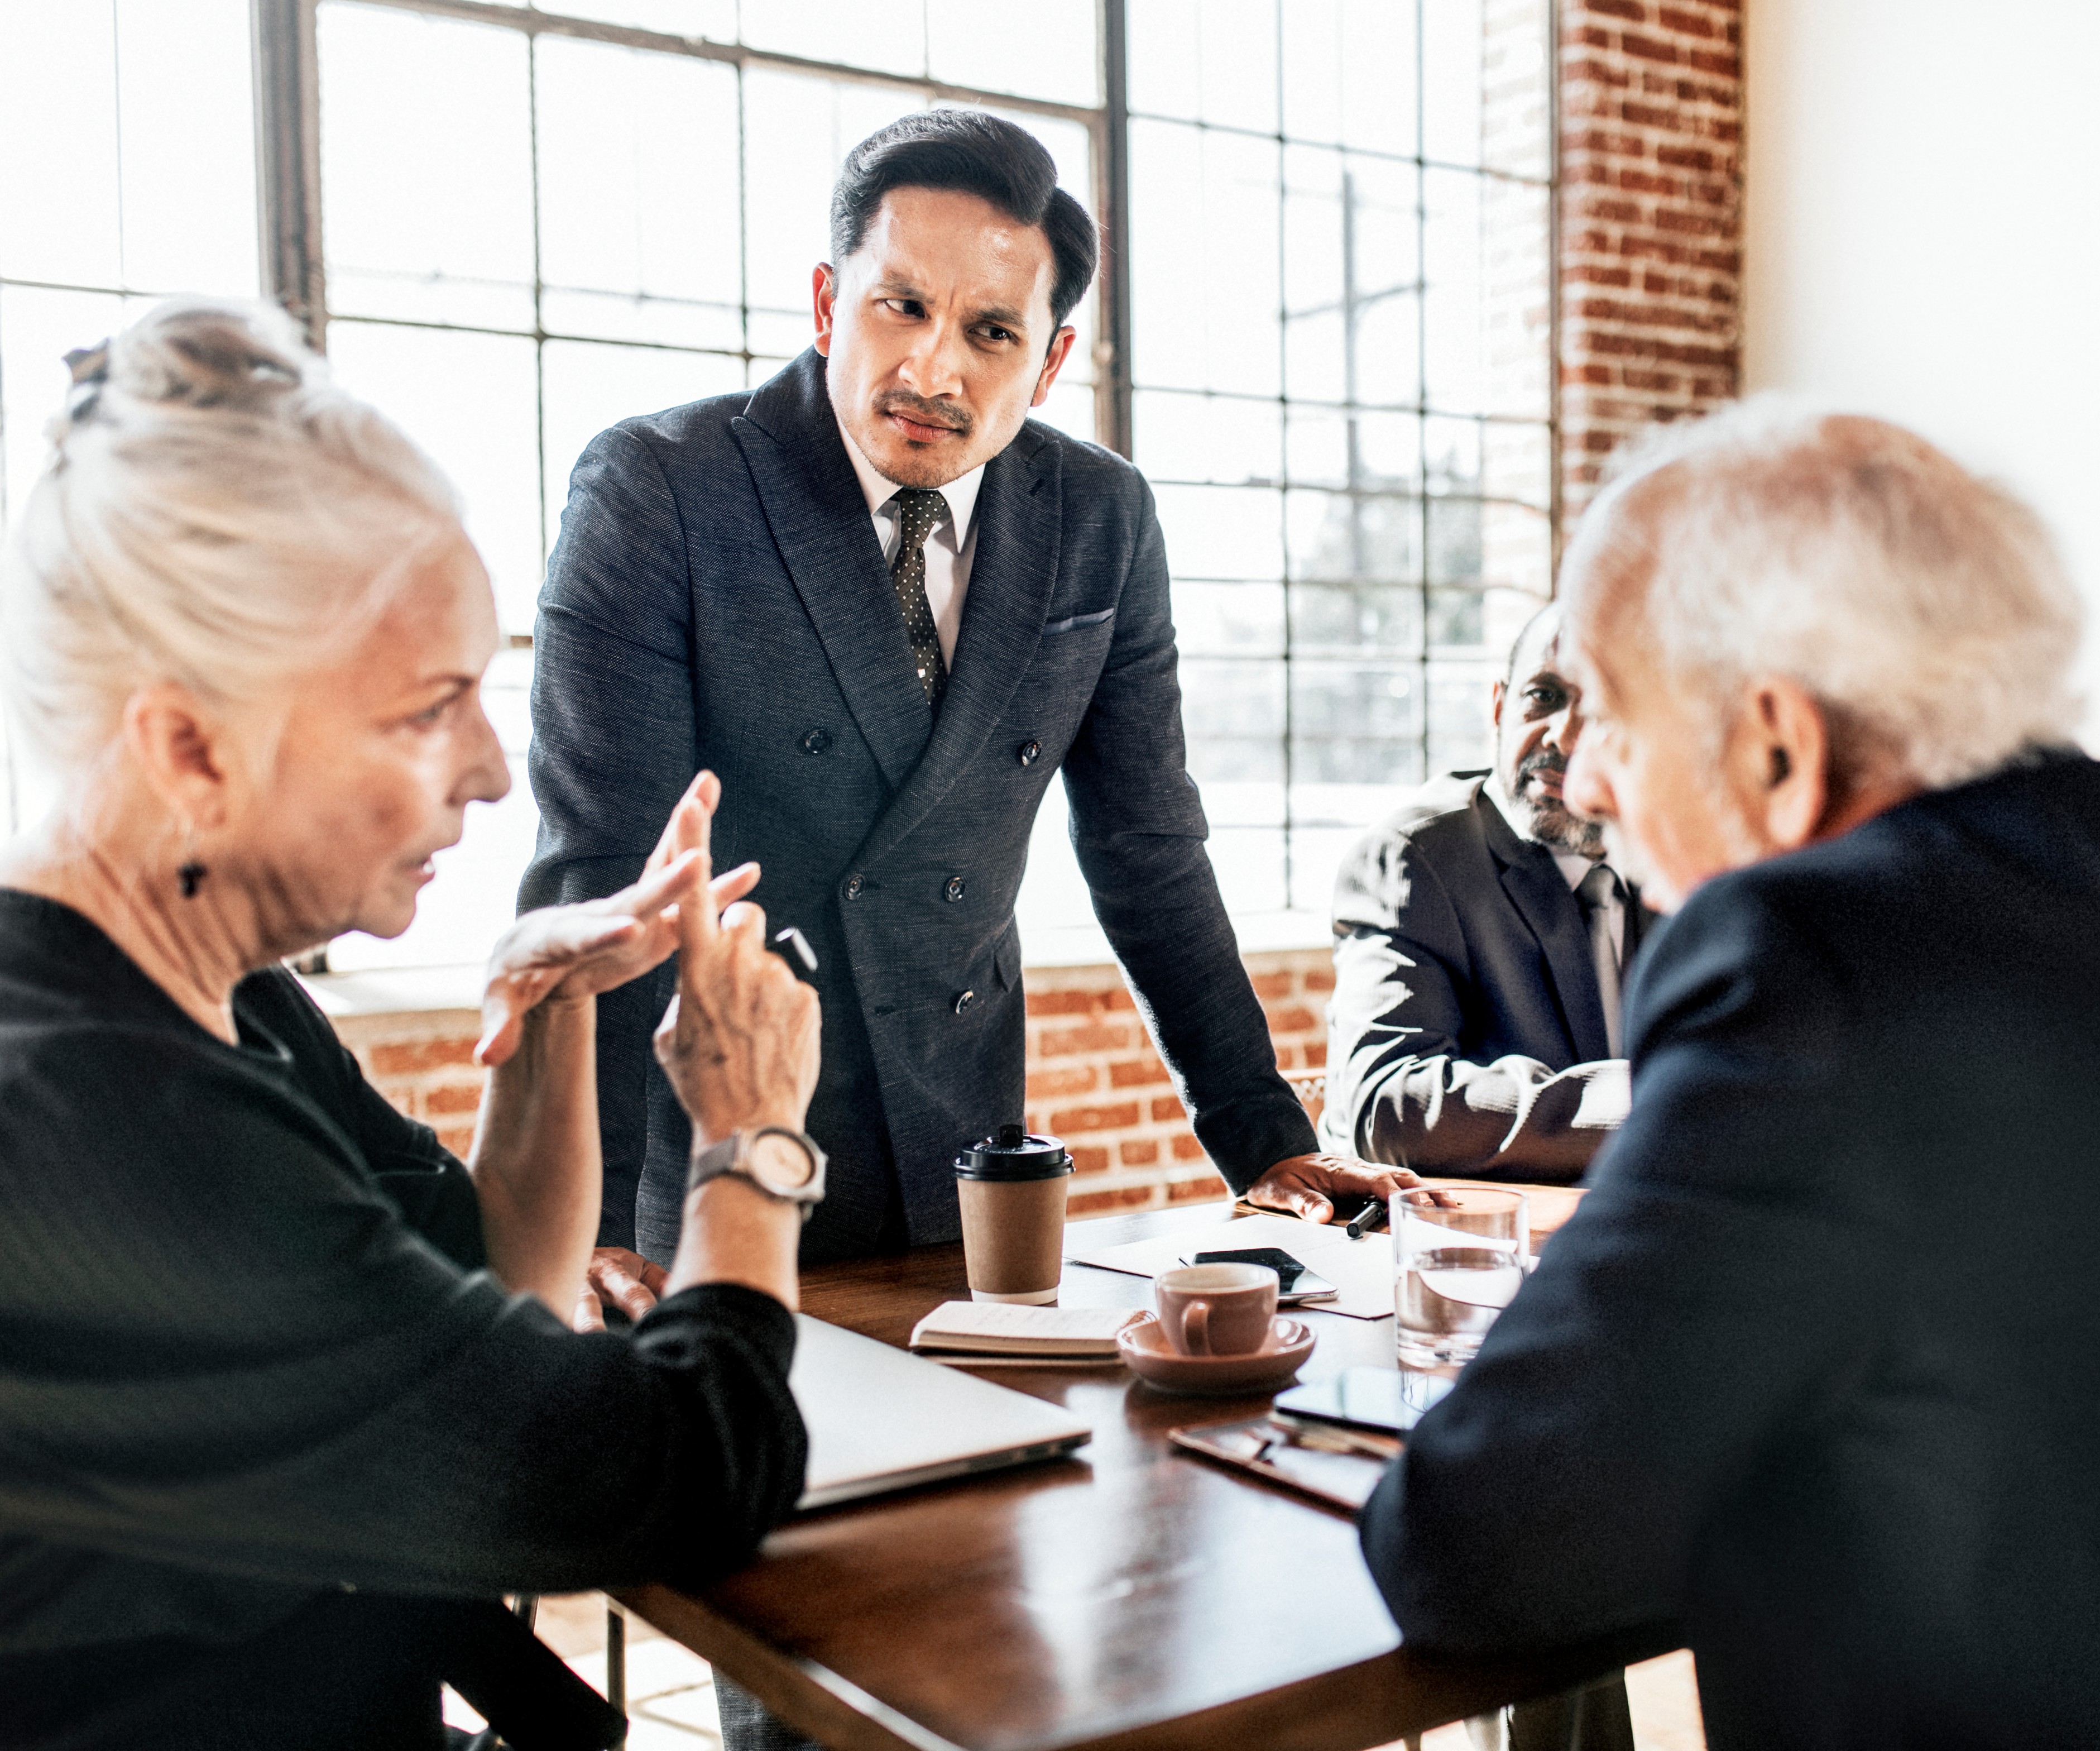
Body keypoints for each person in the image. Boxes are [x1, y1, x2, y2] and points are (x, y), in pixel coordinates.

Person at [1358, 402, 2100, 1748]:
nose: (1584, 776)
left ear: (1777, 745)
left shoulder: (1808, 962)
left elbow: (1475, 1548)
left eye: (1617, 716)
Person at [0, 300, 826, 1749]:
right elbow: (679, 1476)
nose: (495, 772)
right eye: (428, 712)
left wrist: (542, 1001)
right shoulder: (92, 1122)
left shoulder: (217, 991)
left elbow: (491, 1298)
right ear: (189, 747)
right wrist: (749, 1141)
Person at [520, 108, 1406, 1278]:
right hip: (720, 1158)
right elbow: (608, 873)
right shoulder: (661, 489)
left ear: (1049, 360)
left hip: (966, 1154)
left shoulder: (1100, 515)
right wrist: (591, 1229)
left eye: (991, 331)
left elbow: (1149, 844)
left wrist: (1265, 1140)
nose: (935, 370)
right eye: (903, 307)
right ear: (832, 303)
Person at [1322, 601, 1653, 1178]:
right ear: (1500, 706)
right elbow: (1387, 1106)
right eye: (1544, 695)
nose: (1564, 733)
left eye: (1602, 709)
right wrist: (1654, 1096)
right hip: (1470, 1247)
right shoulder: (1414, 861)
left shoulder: (1675, 854)